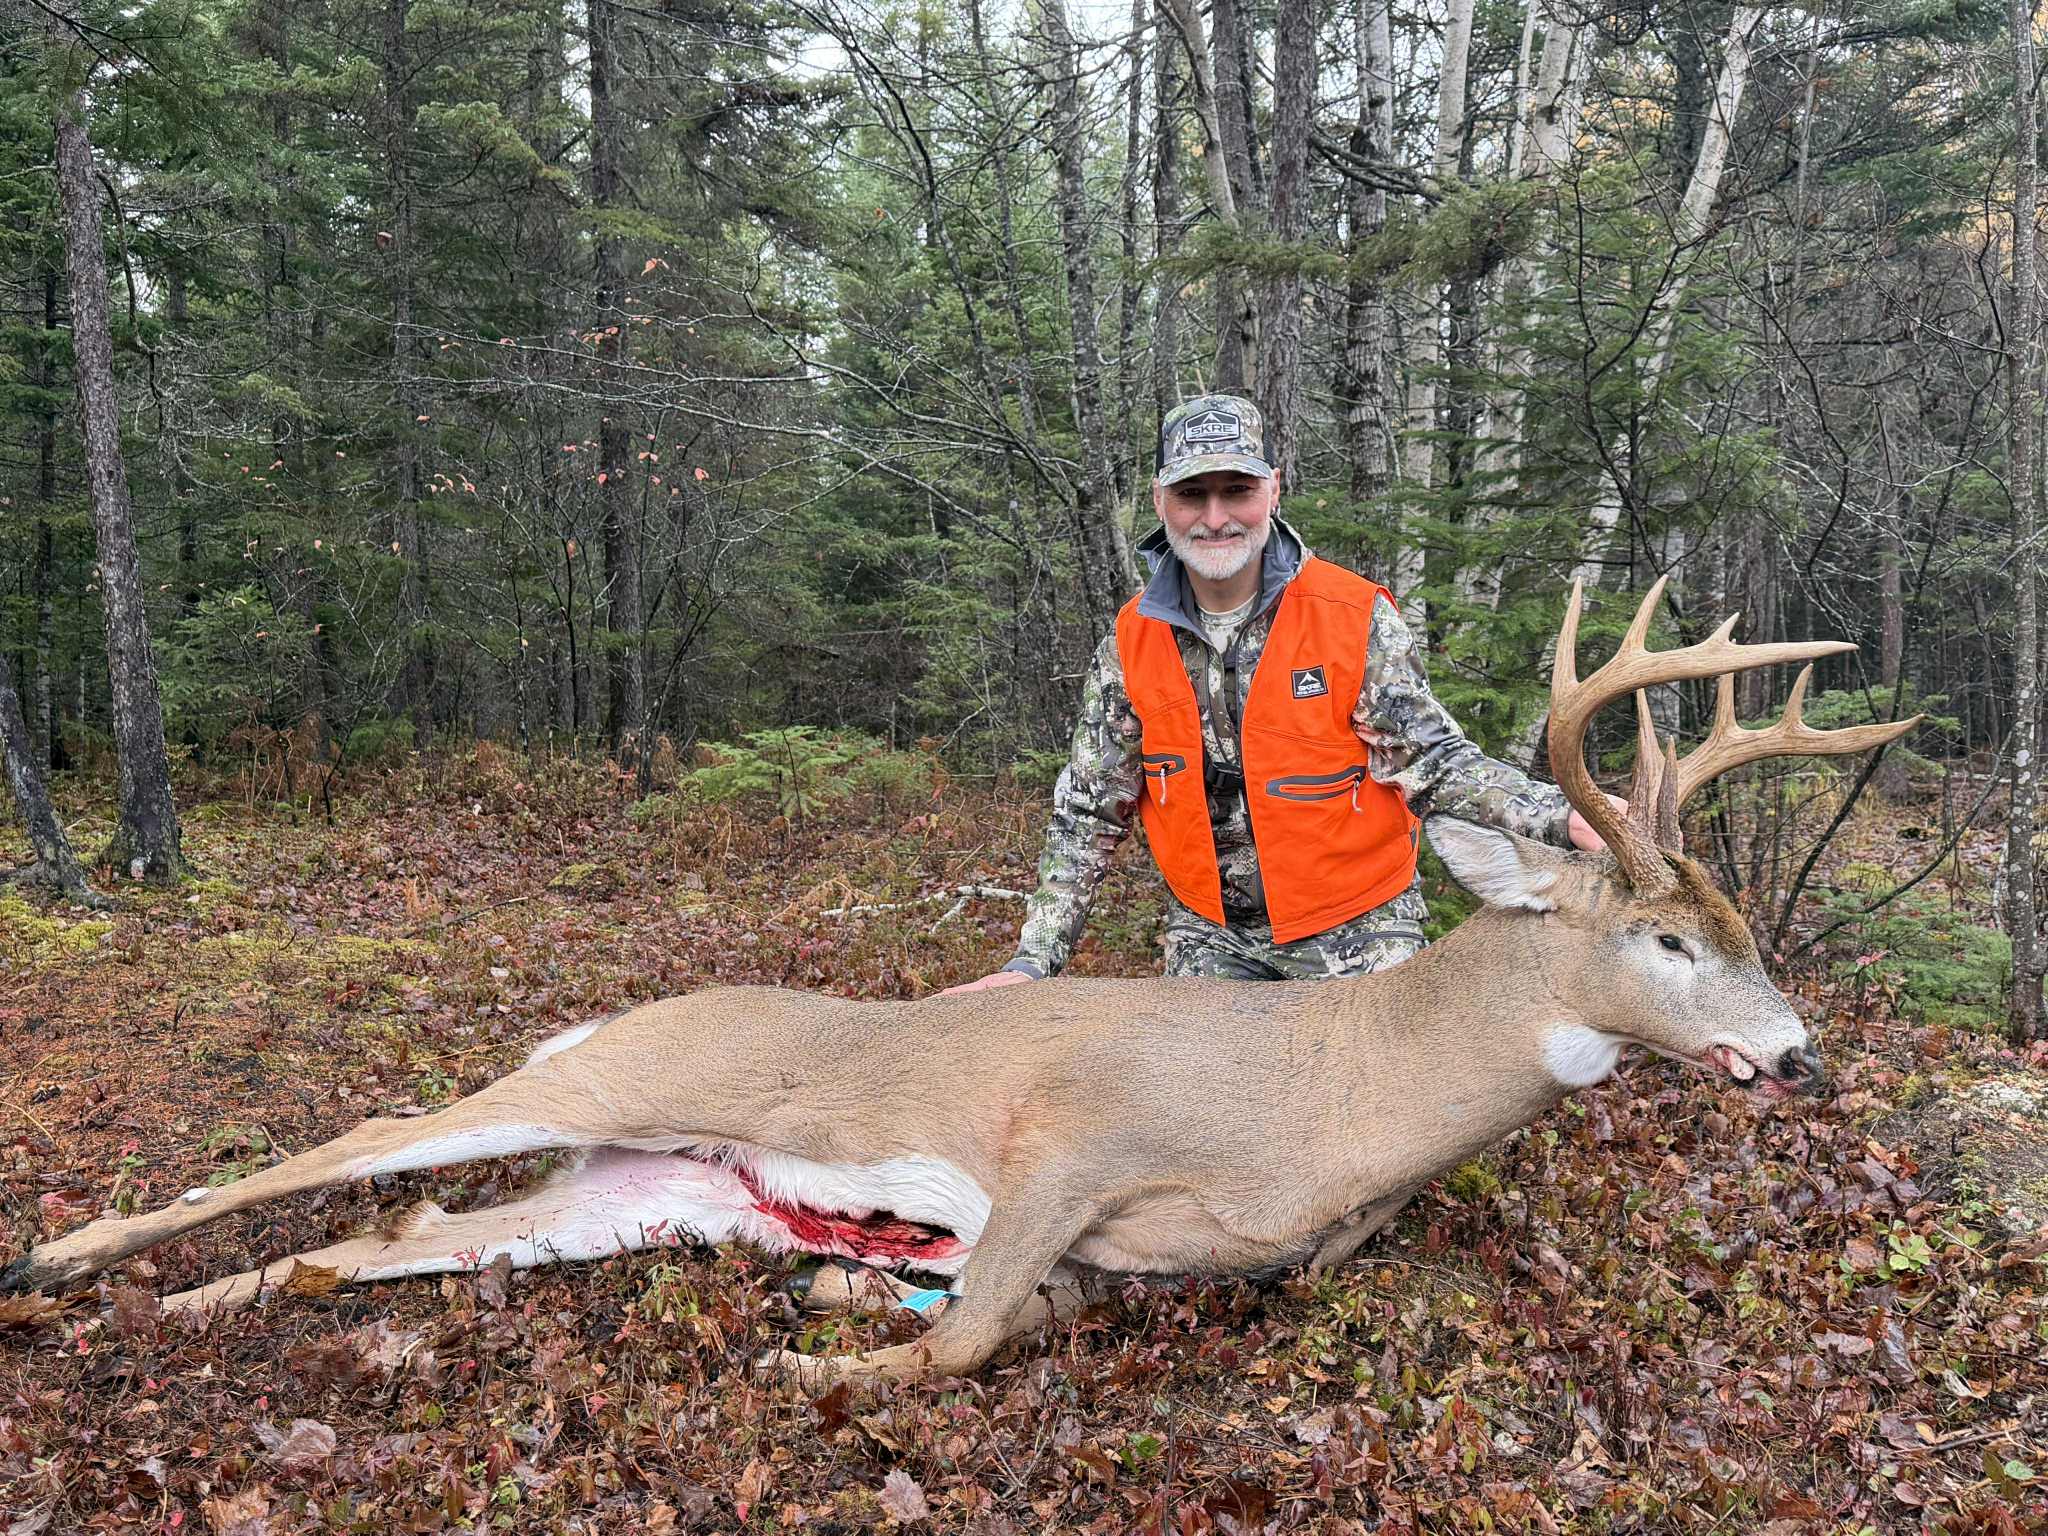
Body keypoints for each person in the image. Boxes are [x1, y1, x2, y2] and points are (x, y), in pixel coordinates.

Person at [948, 393, 1617, 993]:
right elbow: (1089, 810)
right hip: (1211, 934)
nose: (1215, 518)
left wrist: (1561, 816)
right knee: (1199, 1094)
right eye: (1191, 494)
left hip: (1357, 924)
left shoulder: (1352, 617)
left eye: (1236, 490)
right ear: (1159, 501)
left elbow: (1435, 763)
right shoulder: (1131, 643)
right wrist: (1031, 964)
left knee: (1378, 1091)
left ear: (1273, 488)